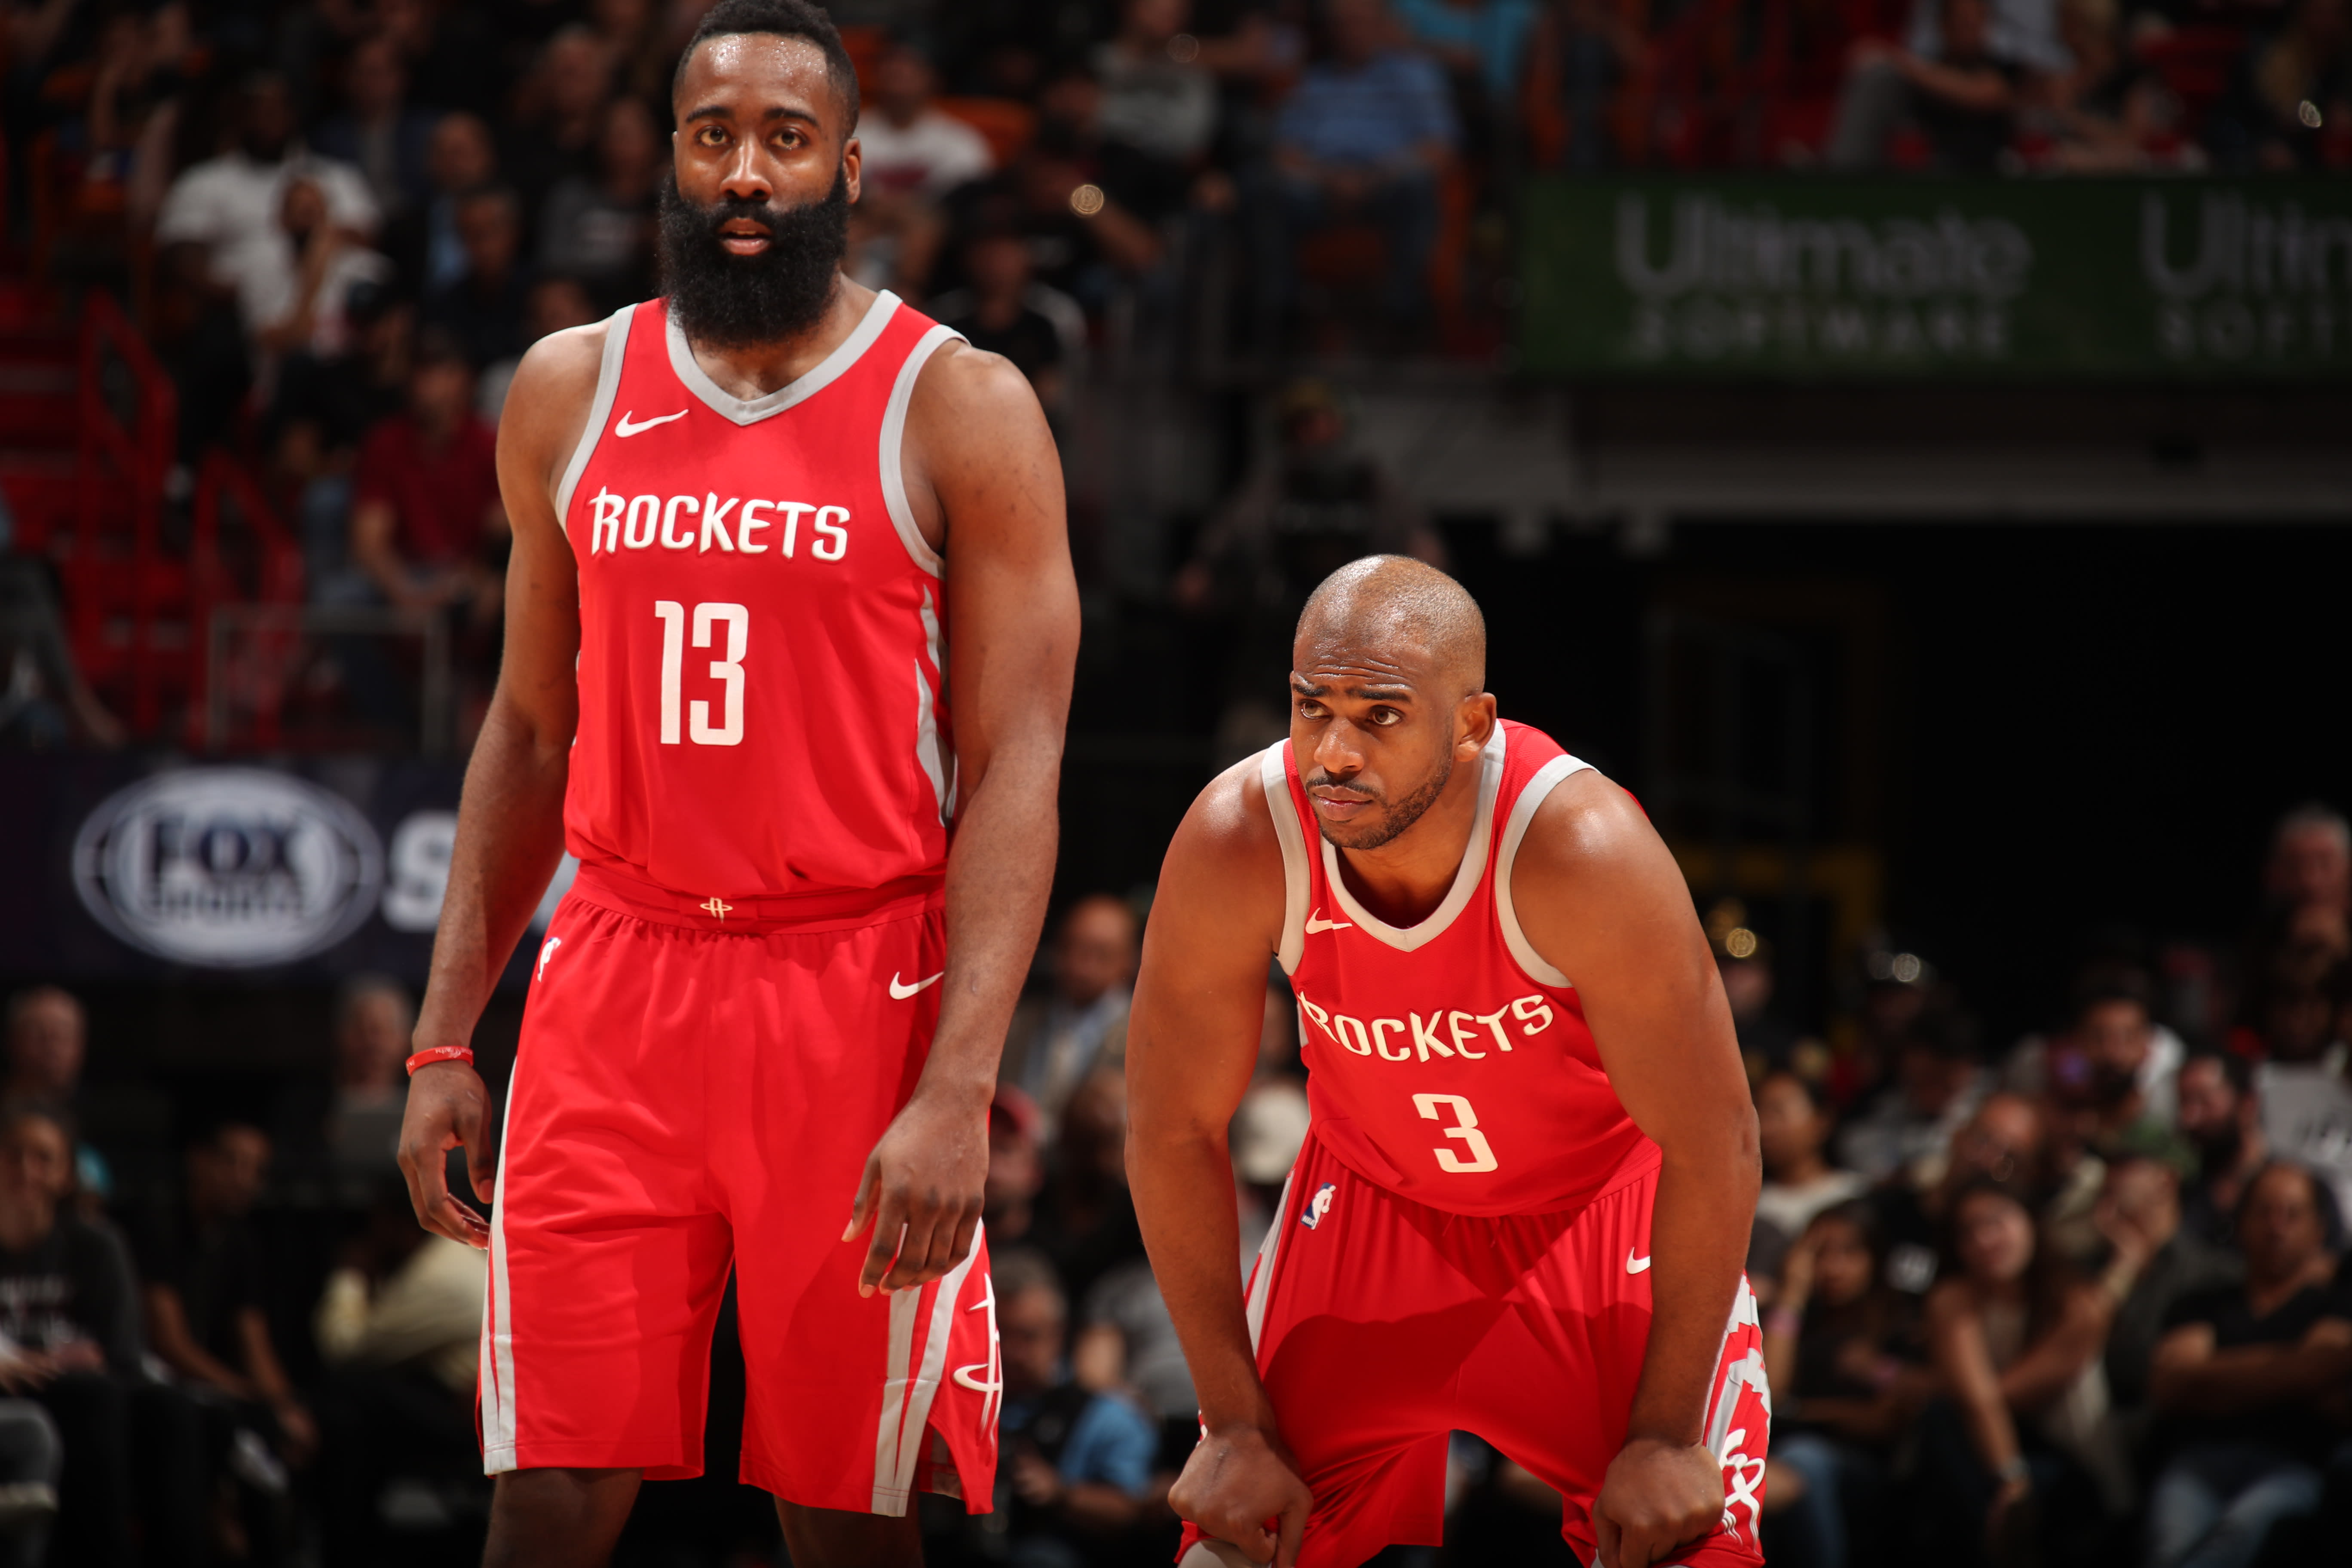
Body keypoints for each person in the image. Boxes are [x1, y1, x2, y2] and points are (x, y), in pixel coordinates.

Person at [395, 5, 1078, 1564]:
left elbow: (1015, 764)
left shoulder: (959, 403)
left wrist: (960, 1080)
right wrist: (447, 1028)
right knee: (550, 1485)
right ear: (671, 162)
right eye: (715, 137)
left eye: (784, 137)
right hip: (614, 979)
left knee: (845, 1511)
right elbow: (520, 730)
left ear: (847, 163)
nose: (748, 171)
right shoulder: (569, 388)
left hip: (857, 979)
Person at [1127, 555, 1770, 1568]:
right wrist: (1233, 1422)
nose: (1332, 752)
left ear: (1472, 723)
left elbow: (1715, 1141)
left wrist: (1662, 1436)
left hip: (1594, 1226)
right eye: (1310, 708)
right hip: (1369, 1215)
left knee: (1676, 1537)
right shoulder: (1238, 832)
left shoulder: (1580, 845)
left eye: (1377, 716)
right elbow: (1171, 1130)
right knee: (1230, 1541)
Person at [2145, 1161, 2352, 1568]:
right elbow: (2171, 1384)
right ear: (2240, 1223)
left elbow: (2323, 1368)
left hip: (2294, 1463)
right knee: (2168, 1546)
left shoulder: (2335, 1307)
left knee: (2239, 1536)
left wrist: (2212, 1380)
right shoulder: (2203, 1301)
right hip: (2199, 1459)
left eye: (2293, 1214)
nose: (2277, 1226)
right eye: (2264, 1211)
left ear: (2320, 1230)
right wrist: (2291, 1374)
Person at [1920, 1181, 2130, 1565]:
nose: (1984, 1239)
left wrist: (2013, 1483)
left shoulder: (2080, 1301)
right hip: (2002, 1456)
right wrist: (2012, 1480)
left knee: (1947, 1415)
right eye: (1968, 1231)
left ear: (2032, 1222)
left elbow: (1998, 1397)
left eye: (1997, 1221)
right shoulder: (1954, 1299)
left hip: (2076, 1462)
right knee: (1942, 1419)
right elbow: (1977, 1402)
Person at [0, 1105, 150, 1568]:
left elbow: (121, 1354)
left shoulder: (96, 1246)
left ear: (66, 1176)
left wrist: (51, 1361)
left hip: (80, 1386)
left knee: (168, 1412)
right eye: (13, 1155)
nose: (26, 1170)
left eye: (43, 1159)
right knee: (78, 1406)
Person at [1258, 0, 1458, 338]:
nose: (1352, 31)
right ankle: (1281, 314)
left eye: (1361, 22)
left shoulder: (1415, 75)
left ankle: (1403, 313)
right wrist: (1328, 179)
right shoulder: (1314, 82)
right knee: (1262, 188)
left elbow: (1440, 150)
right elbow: (1284, 154)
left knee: (1418, 186)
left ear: (1382, 24)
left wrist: (1377, 175)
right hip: (1322, 187)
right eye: (1343, 23)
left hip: (1387, 183)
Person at [133, 1122, 318, 1470]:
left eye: (257, 1171)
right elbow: (168, 1344)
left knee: (309, 1428)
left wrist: (284, 1407)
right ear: (198, 1161)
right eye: (233, 1163)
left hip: (213, 1383)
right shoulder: (159, 1223)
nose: (245, 1180)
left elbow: (254, 1341)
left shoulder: (240, 1240)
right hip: (154, 1378)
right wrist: (249, 1397)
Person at [1759, 1202, 1929, 1568]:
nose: (1833, 1267)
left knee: (1807, 1459)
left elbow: (1886, 1422)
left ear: (1874, 1256)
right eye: (1820, 1254)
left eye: (1850, 1252)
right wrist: (1791, 1296)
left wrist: (1808, 1412)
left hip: (1869, 1472)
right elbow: (1769, 1396)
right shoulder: (1794, 1321)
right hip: (1786, 1460)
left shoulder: (1899, 1319)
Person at [976, 1251, 1162, 1565]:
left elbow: (1131, 1511)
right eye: (999, 1335)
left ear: (1058, 1334)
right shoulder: (963, 1407)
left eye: (1028, 1336)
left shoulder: (1110, 1415)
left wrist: (1059, 1493)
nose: (1011, 1352)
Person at [349, 329, 505, 622]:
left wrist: (471, 580)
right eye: (421, 372)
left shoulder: (490, 444)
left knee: (512, 594)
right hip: (405, 572)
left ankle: (473, 668)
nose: (426, 384)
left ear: (466, 381)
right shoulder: (386, 443)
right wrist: (405, 594)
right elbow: (369, 541)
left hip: (467, 576)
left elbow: (501, 537)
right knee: (342, 597)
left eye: (441, 371)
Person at [2092, 1155, 2239, 1417]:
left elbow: (2133, 1366)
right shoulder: (2095, 1259)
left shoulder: (2214, 1272)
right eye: (2107, 1163)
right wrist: (2121, 1271)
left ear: (2166, 1180)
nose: (2108, 1175)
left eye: (2125, 1164)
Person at [1825, 0, 2024, 173]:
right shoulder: (1928, 69)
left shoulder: (2003, 67)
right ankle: (1842, 183)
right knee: (1878, 79)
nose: (1968, 26)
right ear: (1943, 24)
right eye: (1960, 19)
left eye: (1976, 19)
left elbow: (1984, 94)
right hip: (1933, 174)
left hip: (1988, 176)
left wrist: (1893, 58)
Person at [1000, 896, 1141, 1133]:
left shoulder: (1143, 1036)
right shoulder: (1019, 1022)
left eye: (1100, 954)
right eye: (1071, 948)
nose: (1081, 965)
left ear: (1127, 960)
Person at [1753, 1072, 1867, 1283]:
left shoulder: (1855, 1194)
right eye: (1759, 1114)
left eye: (1777, 1113)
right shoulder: (1750, 1203)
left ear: (1822, 1120)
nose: (1765, 1128)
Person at [1, 988, 109, 1201]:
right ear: (12, 1041)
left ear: (81, 1045)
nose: (52, 1045)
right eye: (38, 1033)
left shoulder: (107, 1119)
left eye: (63, 1033)